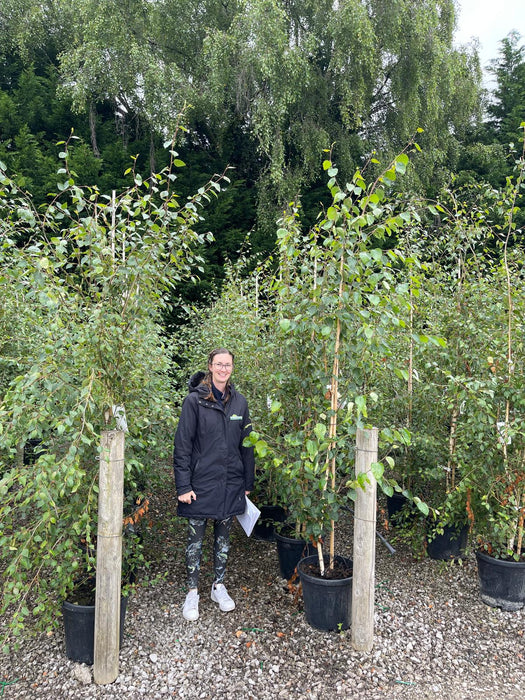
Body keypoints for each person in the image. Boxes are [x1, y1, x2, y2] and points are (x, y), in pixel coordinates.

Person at [173, 348, 255, 621]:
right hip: (200, 483)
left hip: (231, 482)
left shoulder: (239, 403)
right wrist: (183, 486)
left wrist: (247, 481)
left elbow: (247, 445)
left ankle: (218, 586)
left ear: (232, 368)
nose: (223, 369)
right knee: (195, 541)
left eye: (227, 365)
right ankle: (192, 591)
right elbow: (182, 445)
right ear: (210, 366)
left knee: (223, 540)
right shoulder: (194, 402)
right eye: (218, 364)